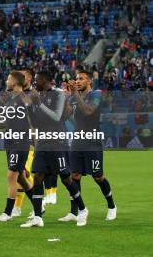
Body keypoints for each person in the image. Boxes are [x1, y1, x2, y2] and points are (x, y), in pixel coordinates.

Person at [20, 70, 88, 228]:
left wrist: (38, 103)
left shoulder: (58, 94)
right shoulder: (39, 96)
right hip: (43, 143)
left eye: (38, 79)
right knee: (38, 177)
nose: (35, 82)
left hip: (58, 143)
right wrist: (30, 106)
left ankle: (83, 209)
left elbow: (56, 117)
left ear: (48, 81)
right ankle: (37, 217)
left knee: (66, 178)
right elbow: (37, 123)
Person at [59, 70, 116, 222]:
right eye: (76, 78)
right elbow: (65, 116)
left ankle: (111, 206)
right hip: (78, 140)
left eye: (81, 79)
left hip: (93, 140)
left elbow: (88, 111)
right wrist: (65, 98)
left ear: (89, 81)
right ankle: (74, 211)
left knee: (98, 176)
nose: (77, 81)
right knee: (74, 176)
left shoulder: (96, 94)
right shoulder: (74, 96)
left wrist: (75, 94)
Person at [0, 71, 35, 222]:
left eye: (8, 79)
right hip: (10, 141)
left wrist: (35, 140)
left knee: (12, 176)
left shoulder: (25, 99)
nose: (6, 81)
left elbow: (32, 122)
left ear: (16, 82)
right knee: (22, 178)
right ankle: (38, 205)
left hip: (20, 142)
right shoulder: (11, 99)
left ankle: (7, 213)